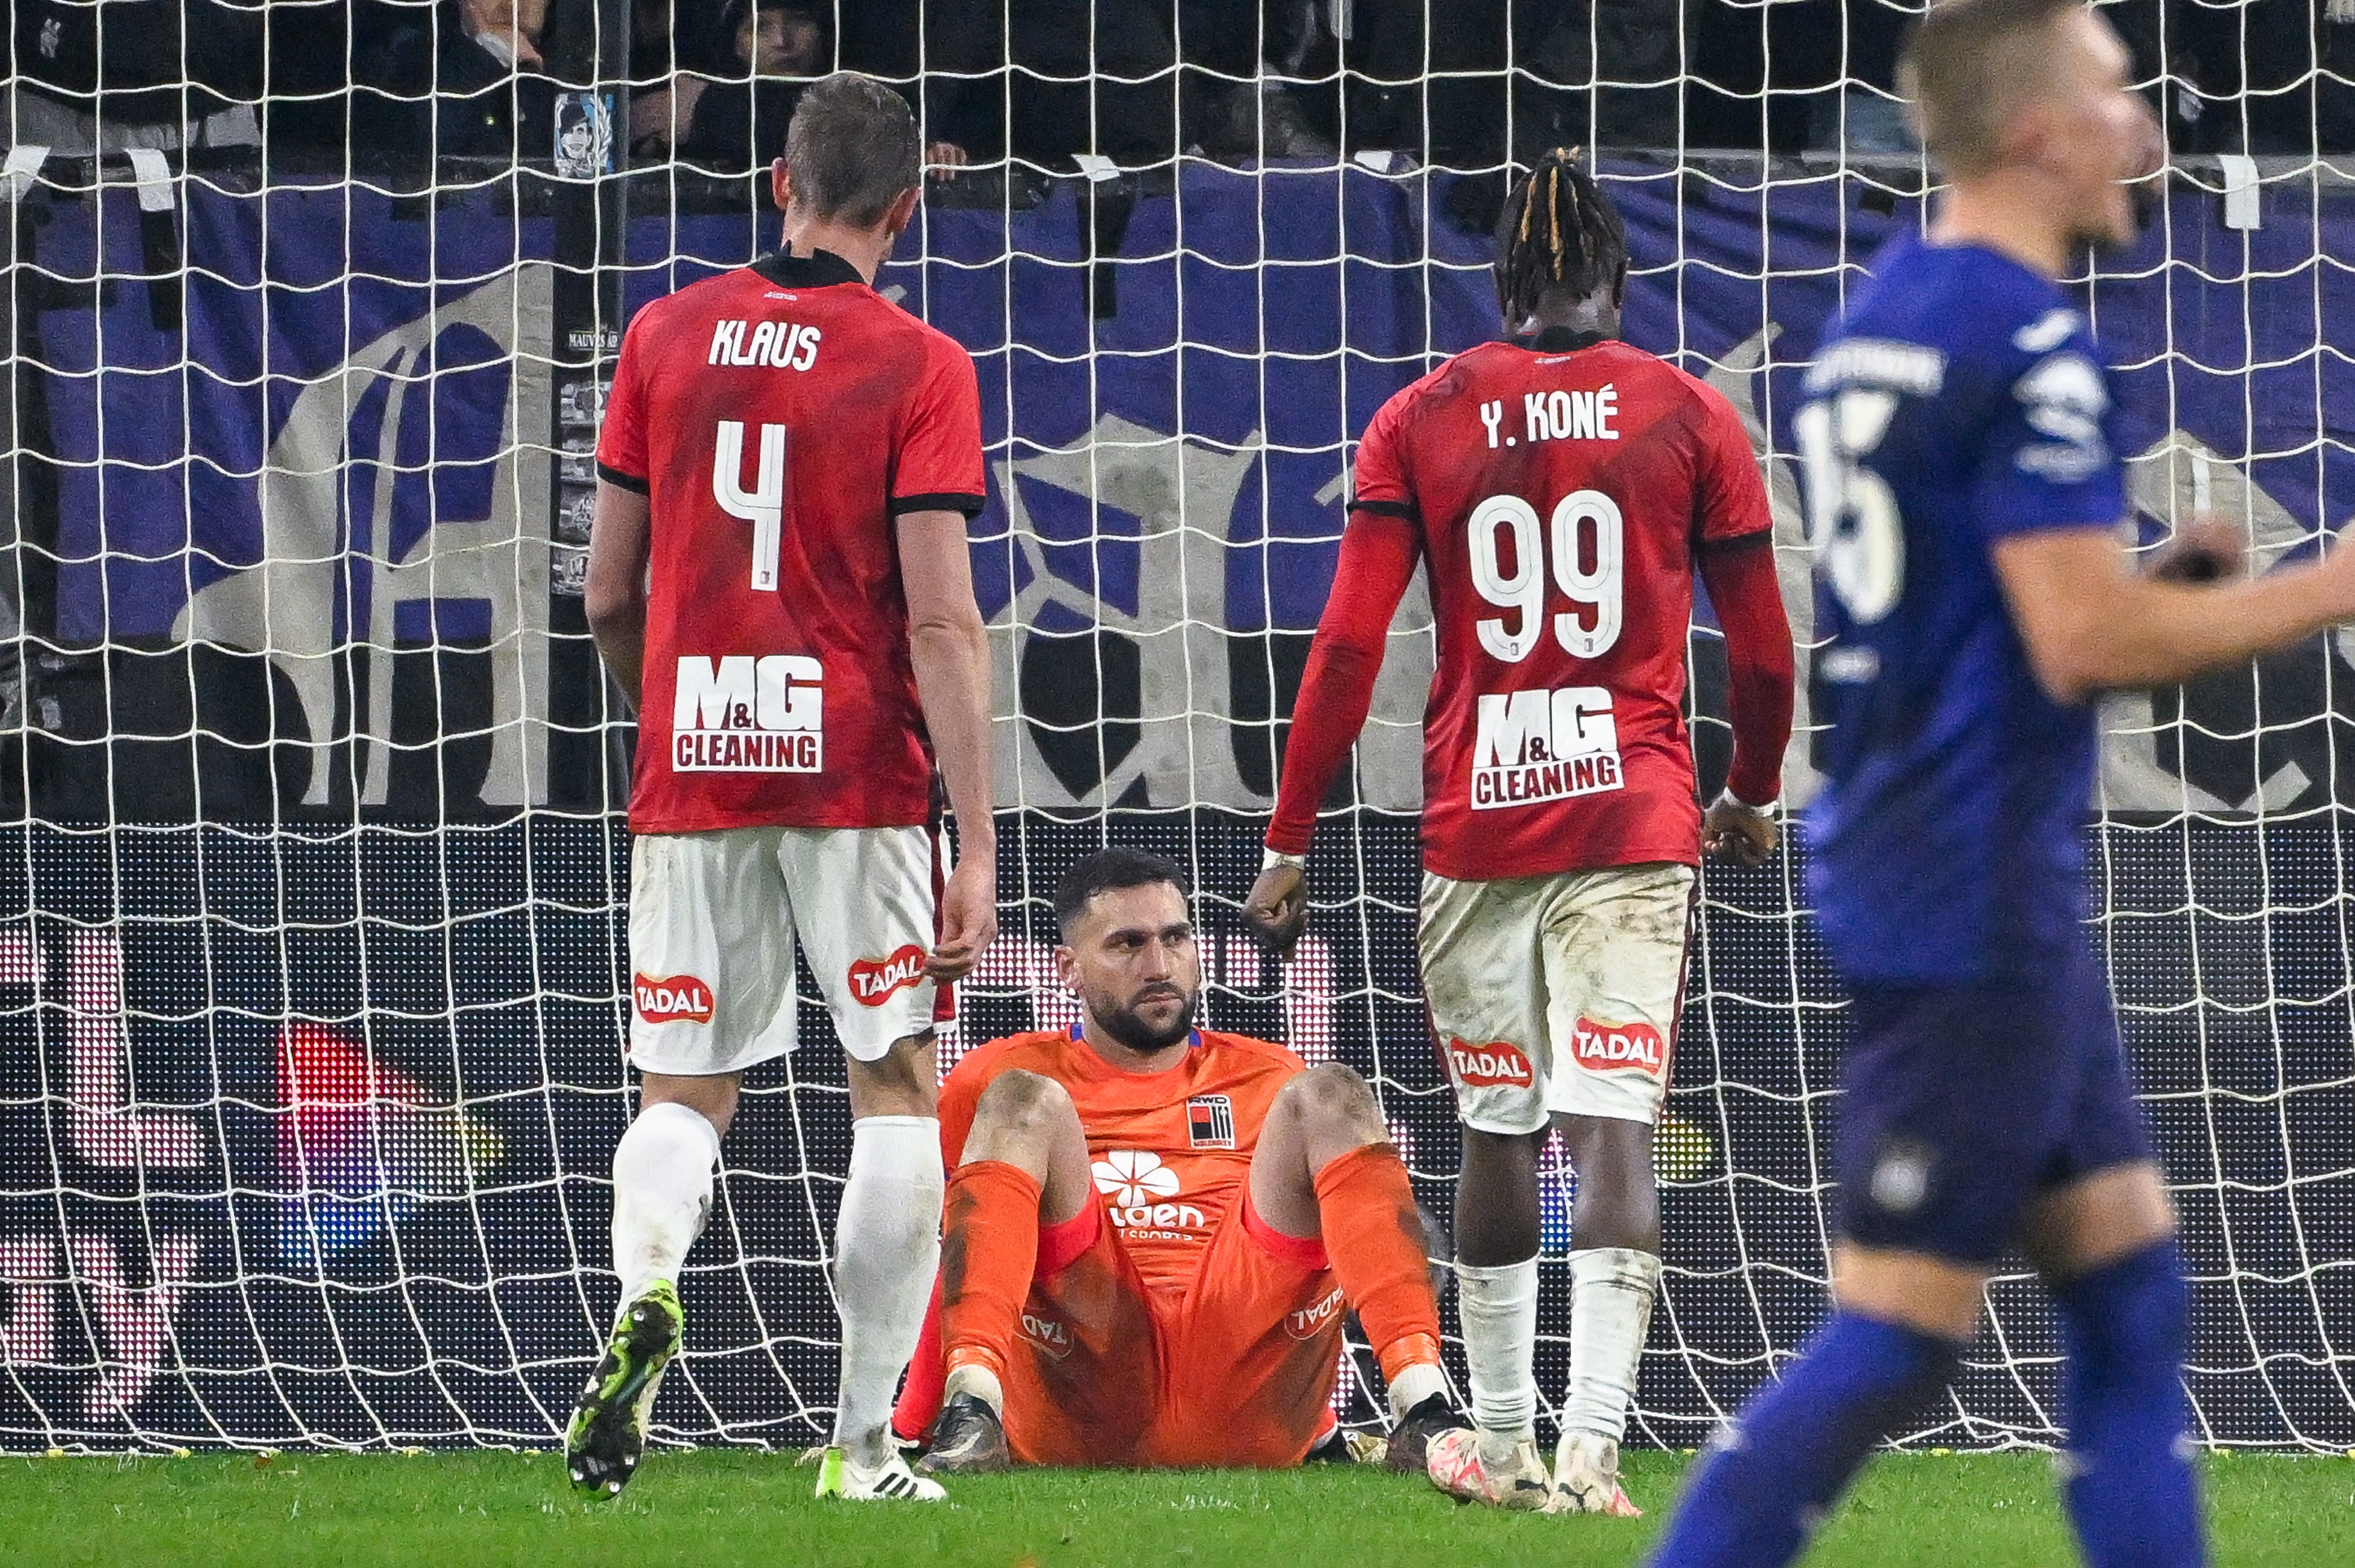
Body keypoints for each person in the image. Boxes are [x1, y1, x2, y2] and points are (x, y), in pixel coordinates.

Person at [1644, 3, 2355, 1564]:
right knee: (1900, 1333)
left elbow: (1981, 612)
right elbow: (2081, 631)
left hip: (1932, 846)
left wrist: (2162, 579)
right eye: (2115, 94)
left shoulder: (1884, 313)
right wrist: (2323, 586)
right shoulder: (2026, 341)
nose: (2145, 132)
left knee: (2127, 1291)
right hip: (1971, 889)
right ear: (2036, 131)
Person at [1243, 147, 1797, 1513]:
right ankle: (1592, 1457)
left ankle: (1495, 1446)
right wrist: (1752, 788)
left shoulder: (1418, 415)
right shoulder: (1685, 412)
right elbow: (1767, 650)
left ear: (1499, 285)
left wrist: (1288, 832)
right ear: (1615, 276)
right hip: (1627, 814)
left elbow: (1347, 646)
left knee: (1496, 1130)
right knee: (1609, 1120)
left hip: (1473, 826)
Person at [571, 72, 997, 1505]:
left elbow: (603, 592)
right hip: (855, 771)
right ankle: (864, 1450)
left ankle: (643, 1294)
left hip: (694, 762)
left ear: (778, 184)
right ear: (906, 207)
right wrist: (977, 840)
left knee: (685, 1087)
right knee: (890, 1086)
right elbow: (939, 620)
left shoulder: (663, 333)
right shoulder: (918, 362)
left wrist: (680, 712)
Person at [889, 849, 1464, 1473]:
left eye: (1175, 937)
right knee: (1021, 1096)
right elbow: (960, 1253)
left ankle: (1424, 1412)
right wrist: (908, 1428)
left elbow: (1299, 1267)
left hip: (1245, 1380)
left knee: (1332, 1093)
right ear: (1068, 969)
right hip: (1083, 1367)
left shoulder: (1270, 1076)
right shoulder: (990, 1077)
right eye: (1126, 945)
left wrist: (1320, 1423)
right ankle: (970, 1412)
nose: (1158, 966)